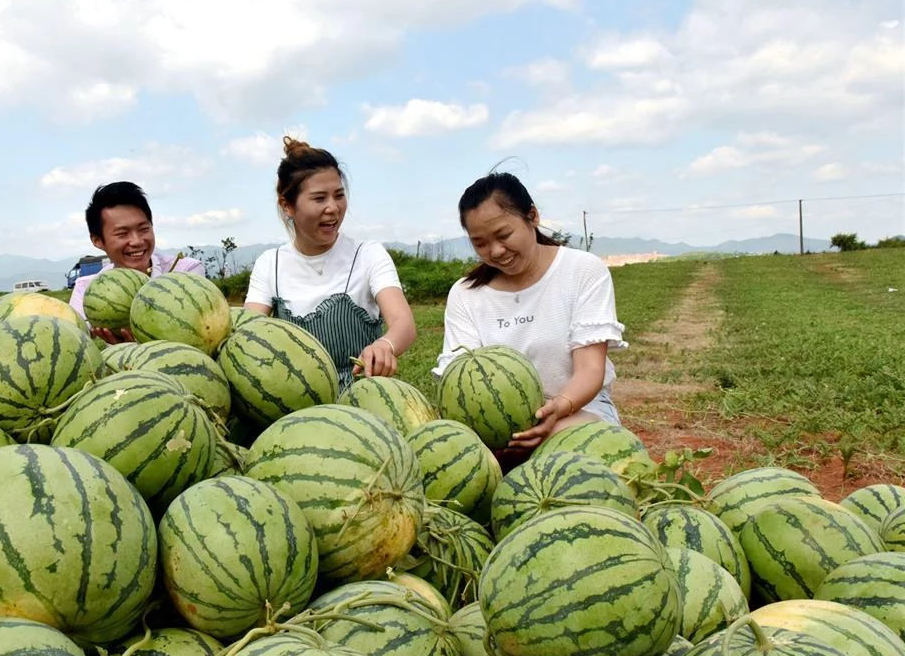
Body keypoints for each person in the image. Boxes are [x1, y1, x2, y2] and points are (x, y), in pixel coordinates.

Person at [432, 171, 627, 465]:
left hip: (575, 411)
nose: (496, 251)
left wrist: (557, 409)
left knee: (576, 452)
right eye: (480, 243)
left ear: (532, 216)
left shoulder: (582, 270)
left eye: (504, 235)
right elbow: (459, 379)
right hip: (497, 433)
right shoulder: (465, 294)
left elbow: (590, 369)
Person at [243, 137, 417, 387]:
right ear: (287, 206)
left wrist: (385, 345)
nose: (333, 208)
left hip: (362, 399)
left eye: (339, 195)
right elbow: (249, 333)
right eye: (319, 198)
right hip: (297, 402)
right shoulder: (270, 264)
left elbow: (404, 324)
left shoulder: (368, 255)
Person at [69, 181, 206, 343]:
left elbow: (201, 332)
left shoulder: (185, 272)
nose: (137, 241)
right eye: (122, 233)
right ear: (98, 240)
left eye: (144, 229)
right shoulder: (85, 289)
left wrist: (142, 343)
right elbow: (78, 342)